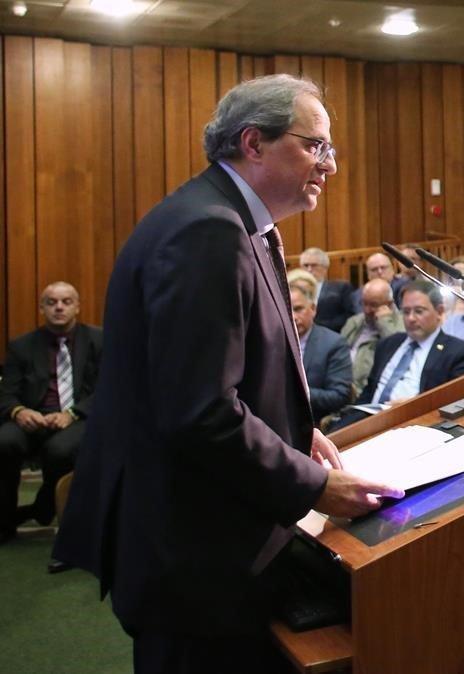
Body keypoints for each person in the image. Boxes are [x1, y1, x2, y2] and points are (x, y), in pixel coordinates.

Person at [54, 75, 405, 671]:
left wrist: (294, 433)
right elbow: (198, 410)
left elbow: (228, 374)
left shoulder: (237, 223)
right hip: (191, 552)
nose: (330, 166)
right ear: (253, 142)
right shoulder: (208, 231)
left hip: (204, 536)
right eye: (315, 146)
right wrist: (313, 485)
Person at [0, 283, 102, 546]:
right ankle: (4, 522)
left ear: (77, 307)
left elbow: (110, 389)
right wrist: (19, 411)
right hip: (33, 417)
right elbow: (6, 393)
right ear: (42, 308)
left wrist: (72, 413)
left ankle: (45, 505)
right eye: (52, 302)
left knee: (59, 450)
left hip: (78, 416)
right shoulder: (21, 346)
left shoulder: (99, 341)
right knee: (4, 442)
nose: (59, 307)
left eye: (66, 301)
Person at [332, 280, 464, 430]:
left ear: (439, 312)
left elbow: (452, 405)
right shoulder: (388, 344)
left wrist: (412, 406)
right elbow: (370, 391)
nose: (411, 318)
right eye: (406, 312)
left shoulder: (459, 352)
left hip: (414, 425)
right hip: (368, 421)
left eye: (419, 311)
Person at [291, 286, 352, 421]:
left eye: (298, 309)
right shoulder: (273, 341)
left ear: (313, 309)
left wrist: (296, 393)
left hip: (314, 423)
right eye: (287, 310)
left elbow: (339, 396)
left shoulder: (333, 343)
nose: (293, 317)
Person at [340, 278, 405, 392]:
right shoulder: (354, 322)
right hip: (344, 387)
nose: (367, 310)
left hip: (369, 392)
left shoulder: (402, 324)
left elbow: (397, 350)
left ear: (389, 305)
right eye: (364, 303)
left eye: (373, 305)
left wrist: (385, 322)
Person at [300, 247, 356, 333]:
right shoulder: (295, 290)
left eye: (314, 265)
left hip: (332, 335)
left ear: (325, 268)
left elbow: (350, 316)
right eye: (306, 265)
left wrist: (318, 327)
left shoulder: (341, 288)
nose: (309, 269)